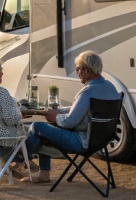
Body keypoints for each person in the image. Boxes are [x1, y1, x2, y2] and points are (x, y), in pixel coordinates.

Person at [21, 51, 120, 183]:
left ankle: (18, 160)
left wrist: (55, 117)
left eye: (79, 69)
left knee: (37, 127)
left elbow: (69, 122)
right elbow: (78, 109)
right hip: (102, 141)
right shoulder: (110, 87)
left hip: (82, 141)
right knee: (45, 130)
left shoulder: (88, 91)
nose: (77, 72)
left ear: (88, 70)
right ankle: (41, 173)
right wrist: (56, 111)